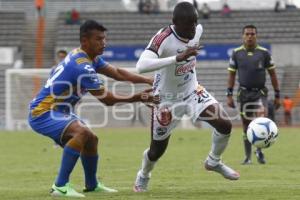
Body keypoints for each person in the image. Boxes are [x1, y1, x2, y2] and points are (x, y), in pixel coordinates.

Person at [28, 20, 154, 198]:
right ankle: (60, 186)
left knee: (91, 139)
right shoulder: (83, 66)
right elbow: (108, 100)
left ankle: (92, 184)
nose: (103, 43)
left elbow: (118, 73)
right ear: (85, 41)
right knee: (81, 133)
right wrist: (139, 97)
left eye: (104, 39)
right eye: (99, 39)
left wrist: (147, 80)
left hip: (57, 111)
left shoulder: (87, 57)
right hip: (43, 113)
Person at [133, 2, 240, 192]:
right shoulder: (163, 38)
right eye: (188, 23)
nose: (193, 27)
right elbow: (141, 66)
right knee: (156, 151)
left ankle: (213, 161)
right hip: (166, 99)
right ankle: (143, 174)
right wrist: (177, 58)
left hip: (192, 91)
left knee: (224, 124)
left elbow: (198, 28)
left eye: (195, 22)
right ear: (175, 23)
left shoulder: (196, 30)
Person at [227, 24, 281, 165]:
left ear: (256, 35)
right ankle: (248, 157)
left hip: (260, 92)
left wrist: (277, 94)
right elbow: (231, 75)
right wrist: (229, 94)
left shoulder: (264, 53)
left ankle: (259, 150)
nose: (250, 36)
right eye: (247, 34)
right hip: (244, 93)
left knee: (262, 116)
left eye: (252, 34)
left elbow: (273, 75)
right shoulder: (236, 53)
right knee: (246, 126)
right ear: (243, 36)